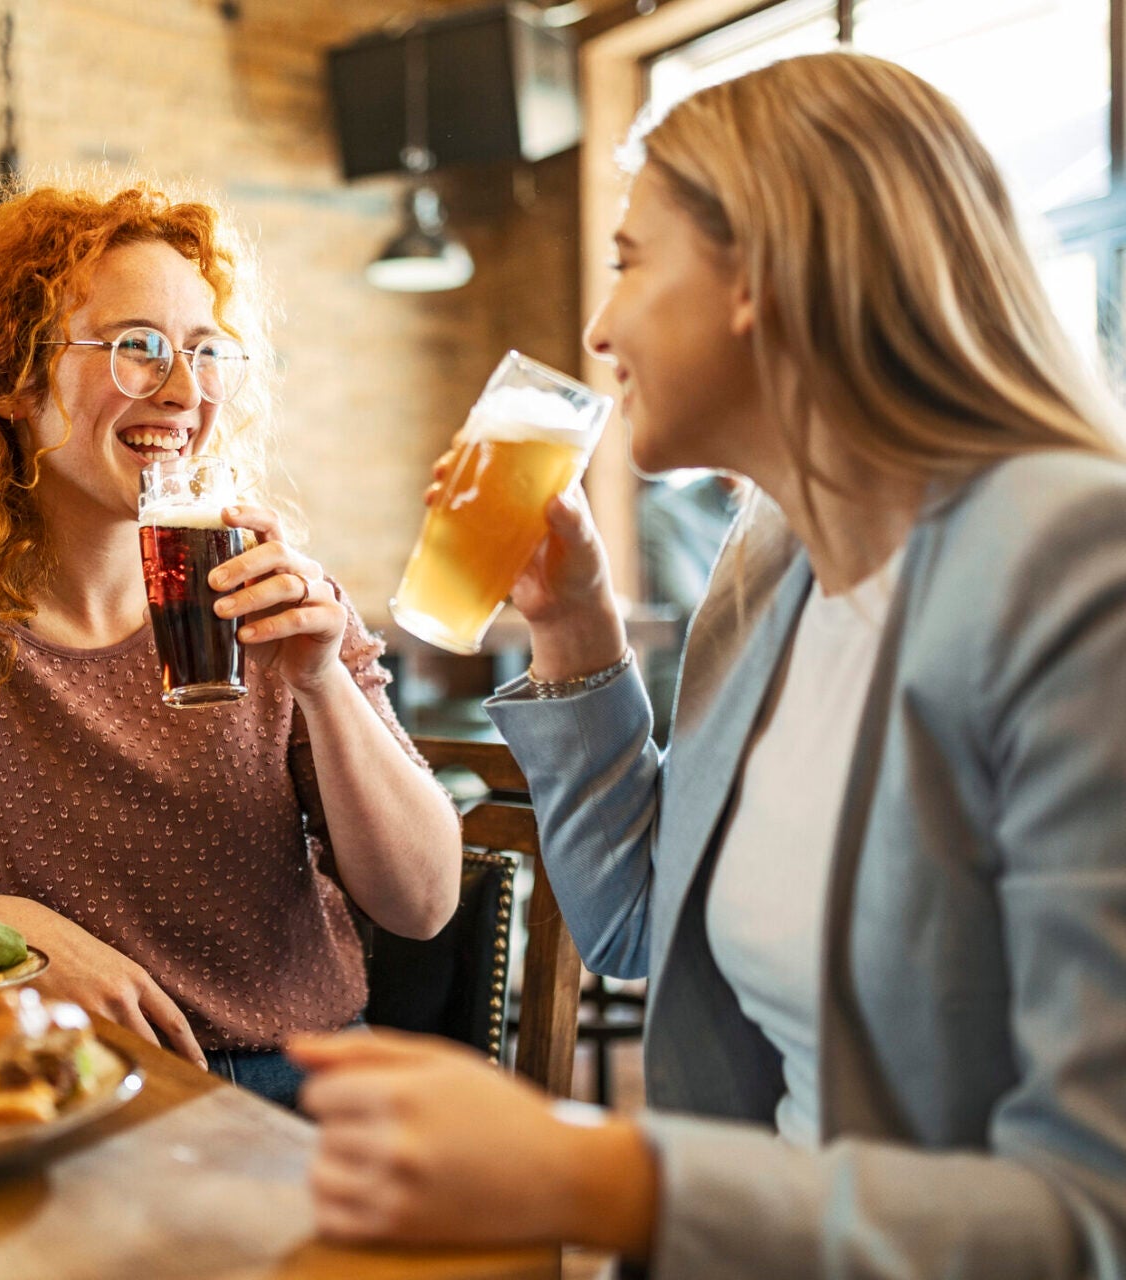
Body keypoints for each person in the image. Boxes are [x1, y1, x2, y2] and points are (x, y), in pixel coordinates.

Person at [291, 51, 1126, 1274]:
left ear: (763, 276)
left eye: (629, 259)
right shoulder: (774, 553)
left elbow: (1089, 1214)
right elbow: (636, 921)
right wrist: (574, 626)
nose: (597, 325)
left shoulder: (1073, 566)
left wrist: (597, 1170)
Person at [0, 180, 461, 1108]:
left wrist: (323, 683)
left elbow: (425, 903)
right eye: (137, 349)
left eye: (204, 352)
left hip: (302, 1087)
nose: (186, 392)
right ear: (9, 379)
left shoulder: (276, 594)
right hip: (39, 1089)